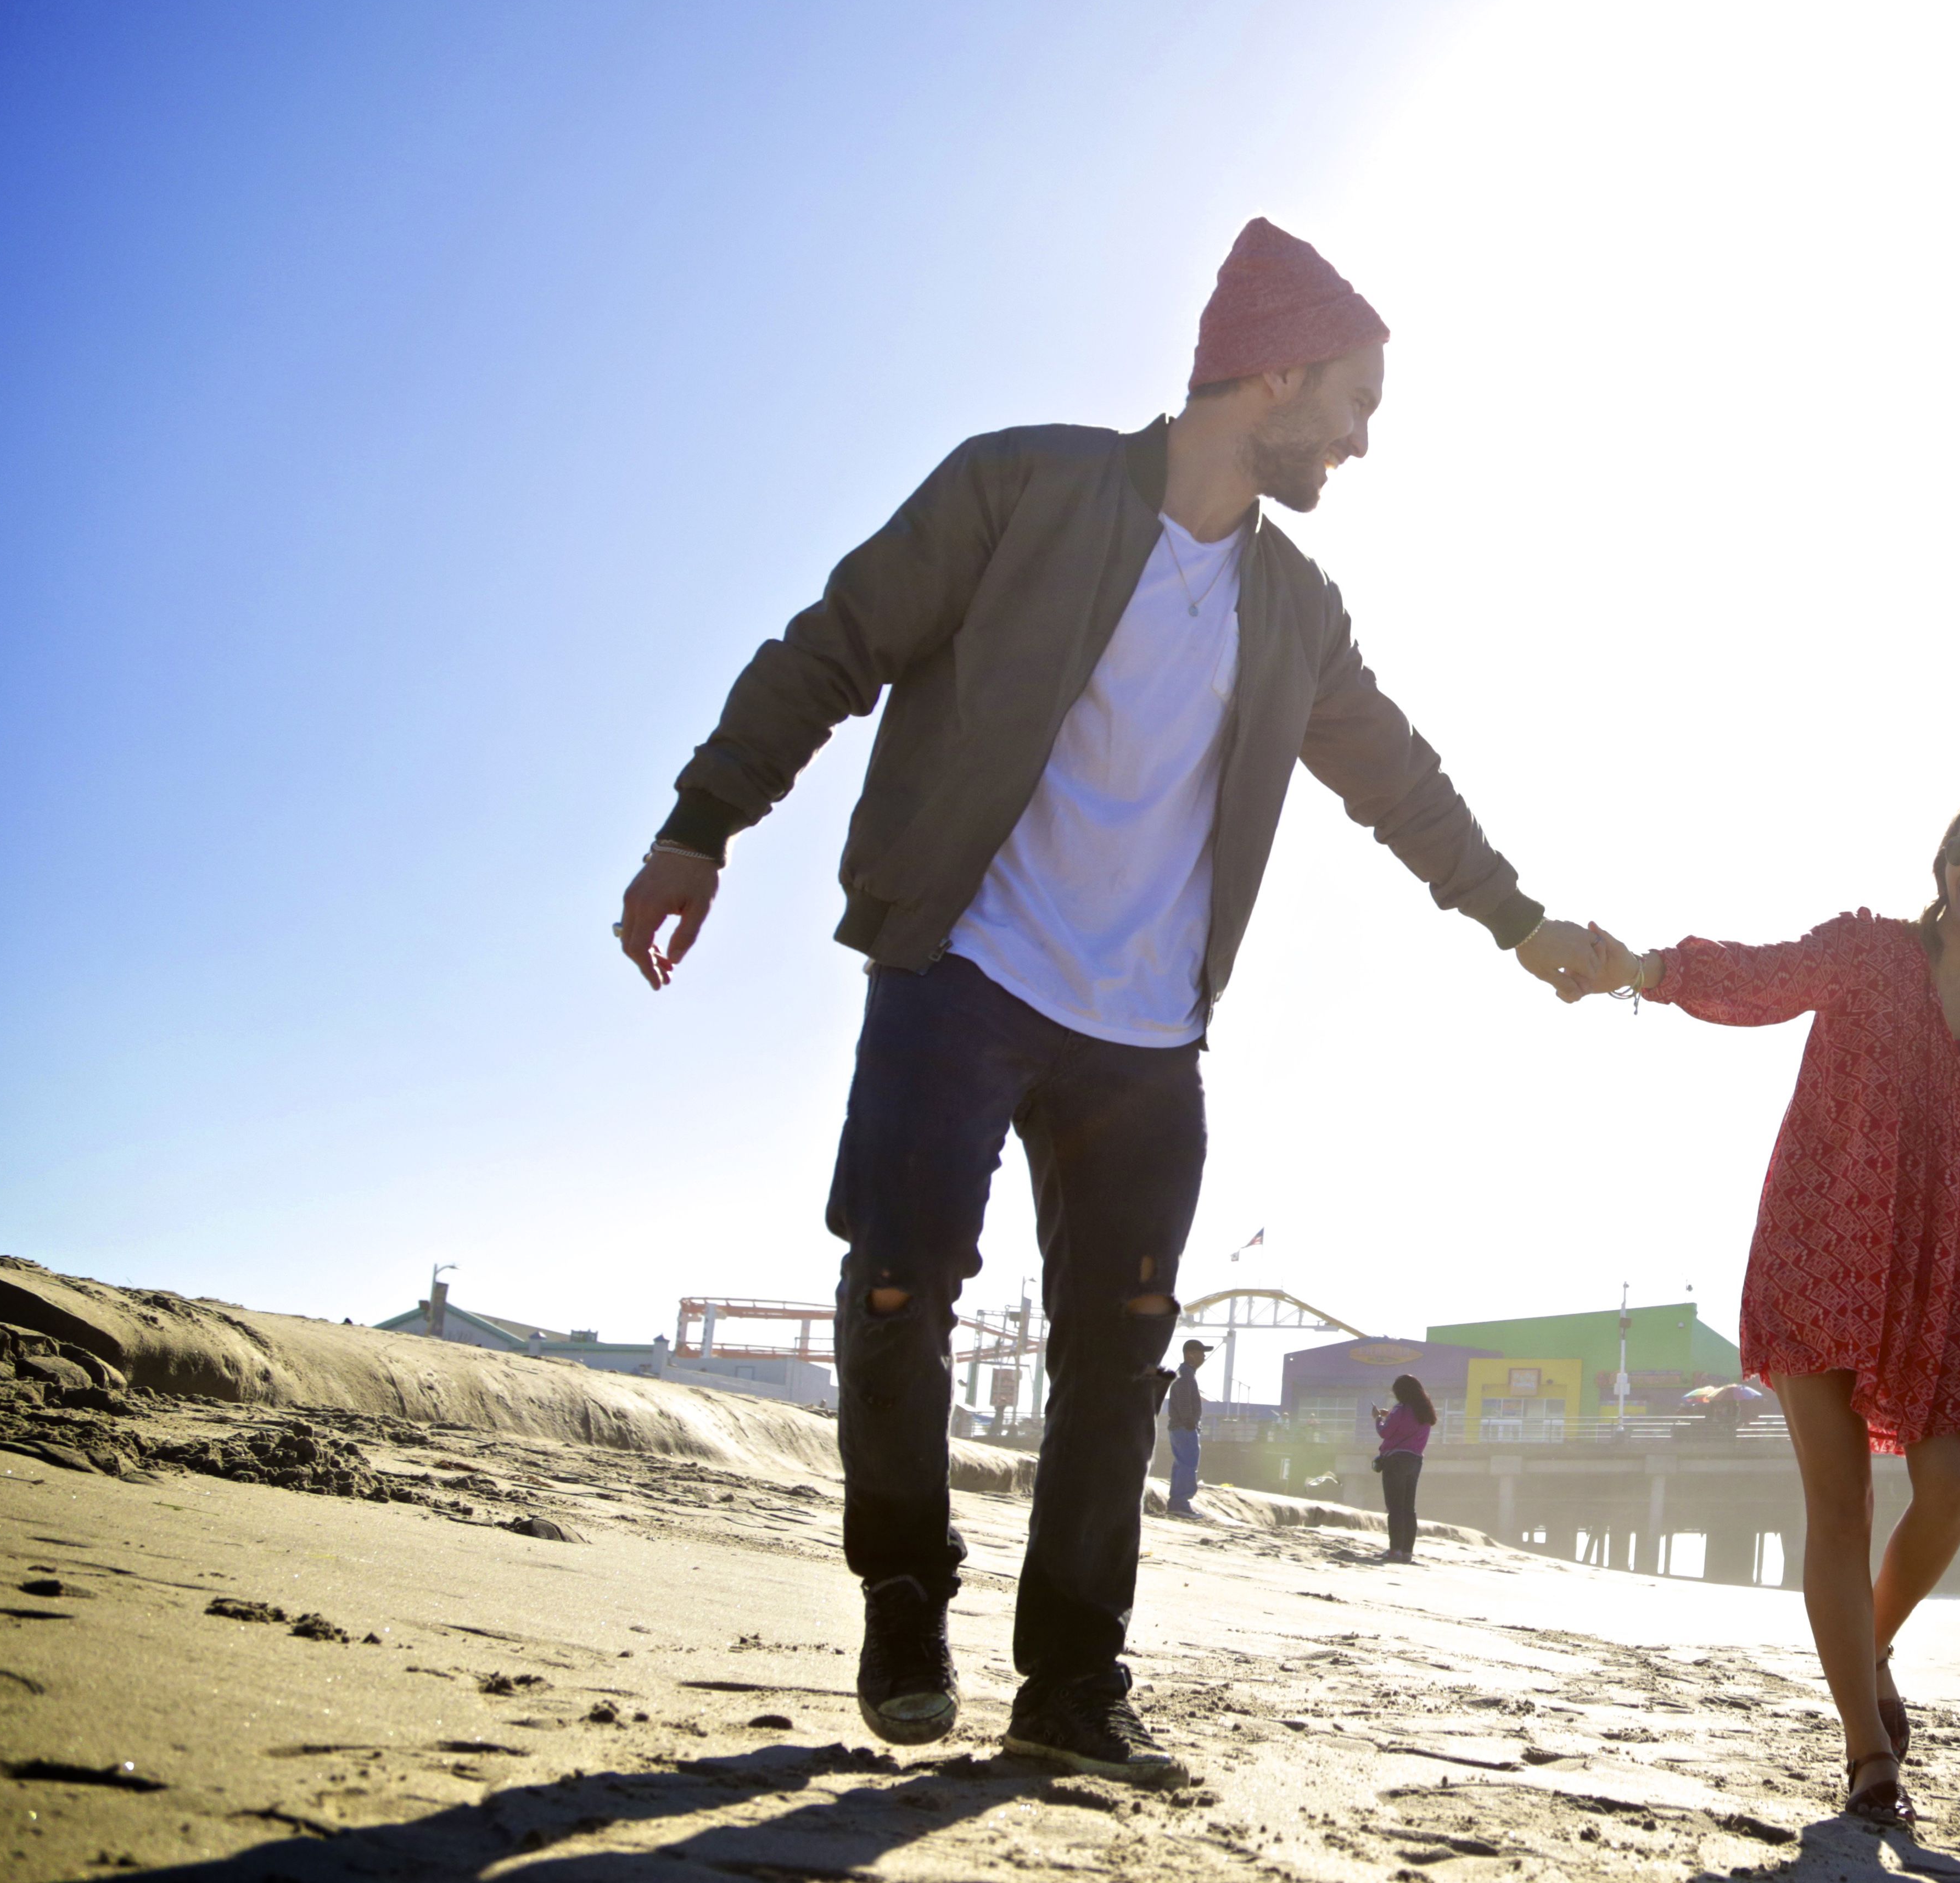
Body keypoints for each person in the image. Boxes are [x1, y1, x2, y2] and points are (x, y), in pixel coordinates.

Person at [612, 219, 1606, 1776]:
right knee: (897, 1286)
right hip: (963, 967)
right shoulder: (1020, 485)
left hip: (1145, 1036)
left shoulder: (1297, 610)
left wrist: (1516, 922)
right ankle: (901, 1592)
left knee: (1117, 1355)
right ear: (1271, 373)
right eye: (1352, 404)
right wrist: (699, 822)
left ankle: (1072, 1686)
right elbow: (837, 644)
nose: (1358, 442)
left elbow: (1397, 782)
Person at [1578, 786, 1960, 1828]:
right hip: (1820, 1248)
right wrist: (1639, 970)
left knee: (1947, 1488)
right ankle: (1866, 1754)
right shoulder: (1868, 950)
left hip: (1945, 1286)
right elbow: (1757, 980)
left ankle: (1870, 1641)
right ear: (1940, 860)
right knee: (1838, 1504)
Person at [1369, 1374, 1436, 1561]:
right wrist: (1389, 1416)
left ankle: (1394, 1550)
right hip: (1415, 1461)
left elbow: (1385, 1432)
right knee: (1409, 1508)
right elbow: (1409, 1426)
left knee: (1395, 1507)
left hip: (1395, 1460)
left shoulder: (1401, 1409)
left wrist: (1378, 1419)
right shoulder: (1426, 1412)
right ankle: (1407, 1552)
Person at [1164, 1340, 1208, 1517]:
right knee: (1188, 1464)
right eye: (1201, 1353)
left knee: (1181, 1464)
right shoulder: (1186, 1374)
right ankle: (1180, 1504)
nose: (1204, 1357)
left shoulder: (1184, 1373)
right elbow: (1183, 1400)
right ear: (1191, 1355)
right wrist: (1190, 1423)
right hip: (1184, 1428)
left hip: (1179, 1427)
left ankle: (1176, 1503)